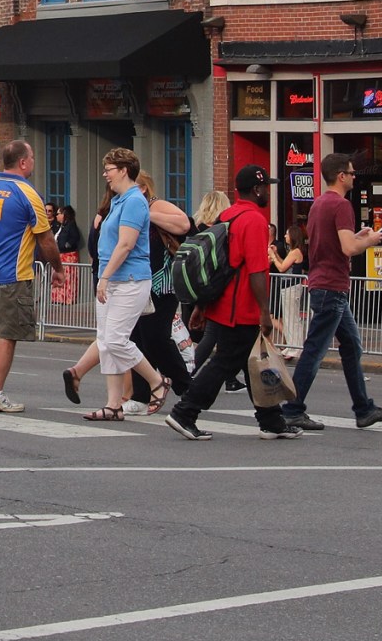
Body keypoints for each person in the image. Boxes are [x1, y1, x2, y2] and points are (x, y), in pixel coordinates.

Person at [165, 165, 290, 441]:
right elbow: (257, 271)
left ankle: (271, 420)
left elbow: (217, 265)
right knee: (225, 363)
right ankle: (185, 411)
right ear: (256, 190)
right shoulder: (255, 220)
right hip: (242, 307)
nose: (268, 191)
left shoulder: (228, 215)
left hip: (223, 303)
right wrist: (265, 313)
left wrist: (201, 306)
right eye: (265, 186)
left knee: (249, 363)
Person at [279, 153, 382, 431]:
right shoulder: (342, 205)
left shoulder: (319, 203)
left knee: (351, 347)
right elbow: (346, 248)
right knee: (315, 350)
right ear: (341, 176)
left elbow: (332, 243)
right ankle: (292, 409)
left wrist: (357, 237)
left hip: (324, 283)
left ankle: (364, 409)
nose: (355, 177)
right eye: (353, 173)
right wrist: (370, 240)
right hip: (332, 286)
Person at [63, 176, 190, 409]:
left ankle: (181, 388)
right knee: (131, 338)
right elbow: (101, 246)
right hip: (126, 282)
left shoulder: (151, 204)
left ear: (141, 187)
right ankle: (134, 396)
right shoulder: (116, 207)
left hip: (158, 283)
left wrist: (143, 214)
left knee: (154, 339)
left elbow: (184, 224)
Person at [0, 137, 56, 413]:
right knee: (8, 334)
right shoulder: (28, 193)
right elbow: (46, 239)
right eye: (32, 159)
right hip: (13, 274)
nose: (34, 164)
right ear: (23, 162)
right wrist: (59, 269)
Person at [82, 148, 153, 421]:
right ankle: (113, 404)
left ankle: (156, 381)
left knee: (115, 339)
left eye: (109, 169)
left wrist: (104, 277)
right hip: (113, 280)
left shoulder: (135, 200)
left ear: (124, 170)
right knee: (105, 341)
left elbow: (125, 245)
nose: (105, 175)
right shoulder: (118, 201)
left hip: (129, 279)